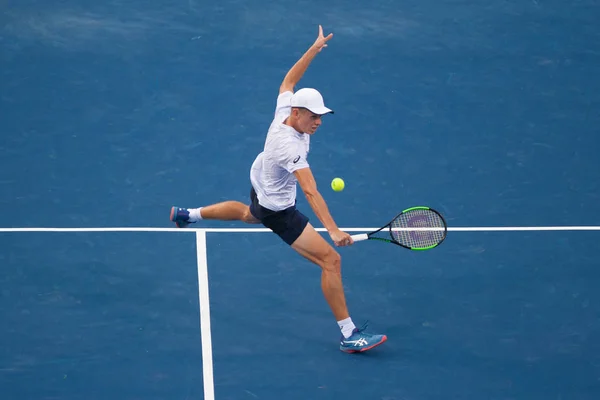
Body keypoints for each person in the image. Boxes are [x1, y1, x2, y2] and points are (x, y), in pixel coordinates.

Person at [170, 25, 387, 353]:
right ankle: (349, 335)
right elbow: (312, 191)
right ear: (297, 113)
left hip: (260, 180)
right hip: (279, 209)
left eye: (322, 116)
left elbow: (288, 81)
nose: (319, 122)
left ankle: (190, 215)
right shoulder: (290, 147)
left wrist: (314, 49)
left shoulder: (287, 110)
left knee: (248, 213)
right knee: (331, 261)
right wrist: (333, 230)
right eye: (314, 116)